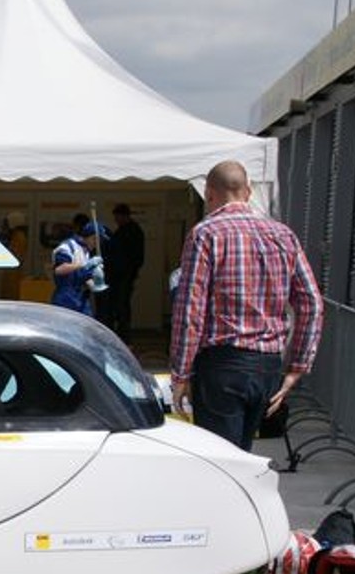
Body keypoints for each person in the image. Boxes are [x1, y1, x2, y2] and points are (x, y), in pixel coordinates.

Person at [169, 160, 323, 450]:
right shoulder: (283, 235)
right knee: (243, 453)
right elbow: (311, 302)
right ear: (249, 191)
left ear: (209, 194)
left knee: (222, 459)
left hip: (222, 363)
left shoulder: (205, 234)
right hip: (267, 365)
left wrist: (181, 372)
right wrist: (297, 366)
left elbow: (190, 310)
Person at [101, 202, 146, 338]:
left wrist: (129, 272)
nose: (116, 220)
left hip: (123, 276)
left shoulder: (132, 231)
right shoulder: (124, 230)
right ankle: (118, 334)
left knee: (121, 307)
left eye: (117, 217)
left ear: (123, 216)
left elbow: (135, 256)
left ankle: (123, 336)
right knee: (117, 306)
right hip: (118, 275)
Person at [49, 218, 101, 315]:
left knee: (86, 326)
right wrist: (85, 264)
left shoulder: (86, 251)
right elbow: (59, 270)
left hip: (81, 297)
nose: (97, 244)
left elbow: (83, 276)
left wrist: (96, 284)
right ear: (89, 237)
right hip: (66, 297)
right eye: (95, 239)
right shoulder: (67, 246)